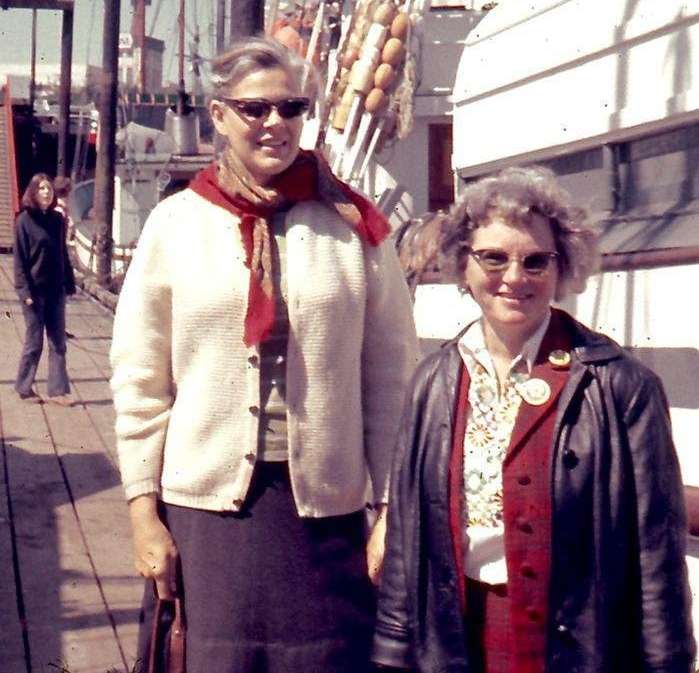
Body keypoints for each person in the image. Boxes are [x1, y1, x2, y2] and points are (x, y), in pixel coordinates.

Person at [110, 36, 419, 673]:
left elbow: (390, 378)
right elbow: (140, 378)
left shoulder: (352, 226)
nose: (275, 123)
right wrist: (144, 514)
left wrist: (388, 508)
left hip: (327, 515)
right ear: (219, 115)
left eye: (291, 108)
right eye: (254, 109)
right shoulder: (175, 224)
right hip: (207, 512)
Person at [373, 166, 695, 673]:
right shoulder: (431, 384)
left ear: (561, 267)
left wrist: (669, 664)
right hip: (459, 641)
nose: (514, 278)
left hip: (576, 647)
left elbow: (657, 557)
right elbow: (406, 544)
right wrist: (392, 654)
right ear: (464, 262)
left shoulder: (621, 387)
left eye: (535, 261)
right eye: (493, 258)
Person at [13, 172, 75, 406]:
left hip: (55, 290)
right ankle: (24, 387)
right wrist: (24, 293)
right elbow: (18, 263)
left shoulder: (58, 221)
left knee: (58, 342)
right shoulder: (23, 222)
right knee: (34, 342)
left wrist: (69, 282)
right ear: (33, 192)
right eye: (42, 189)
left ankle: (57, 392)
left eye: (49, 189)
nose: (47, 192)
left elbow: (62, 254)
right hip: (34, 294)